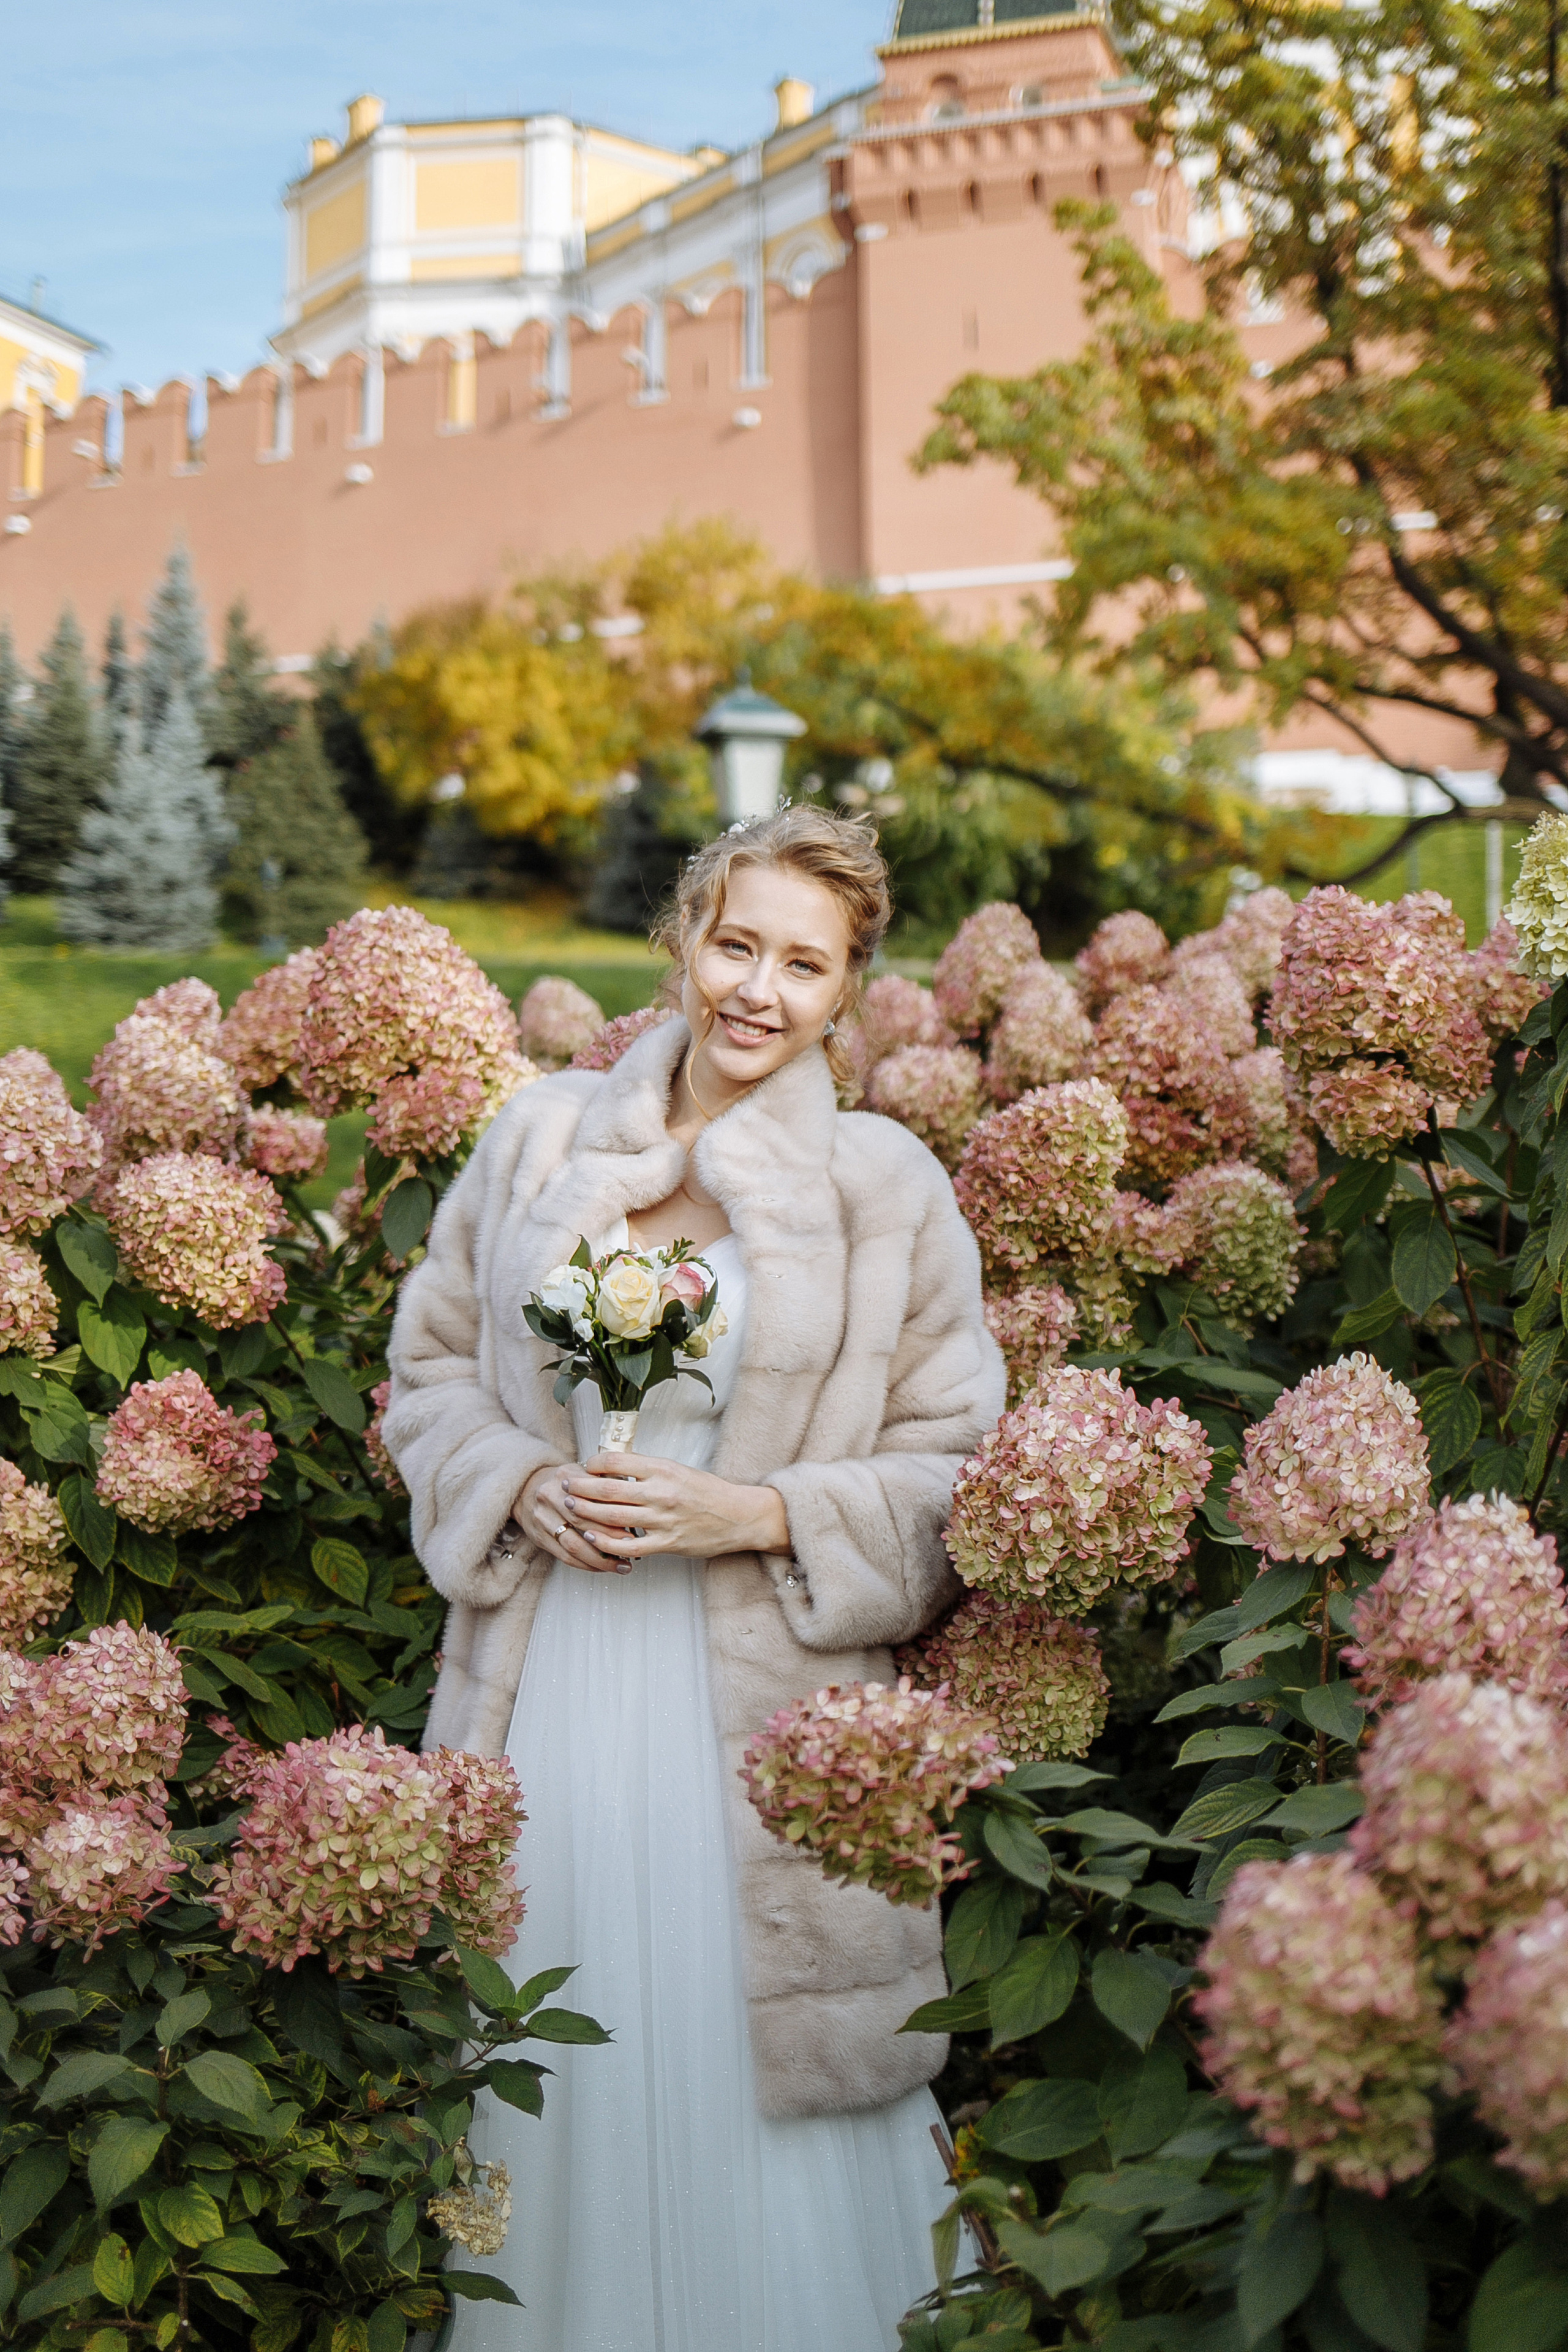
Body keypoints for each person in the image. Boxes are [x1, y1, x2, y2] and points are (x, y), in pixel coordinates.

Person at [383, 806, 1005, 2352]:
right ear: (681, 939)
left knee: (755, 2044)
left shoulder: (882, 1188)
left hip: (766, 1723)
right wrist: (525, 1486)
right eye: (736, 945)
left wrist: (759, 1515)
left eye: (805, 964)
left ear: (847, 990)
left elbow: (954, 1471)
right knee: (546, 2039)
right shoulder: (532, 1141)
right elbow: (426, 1379)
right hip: (554, 1689)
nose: (757, 991)